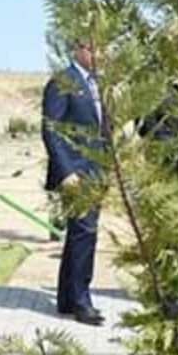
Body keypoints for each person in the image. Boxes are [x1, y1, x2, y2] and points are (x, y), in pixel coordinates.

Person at [41, 40, 106, 326]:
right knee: (85, 233)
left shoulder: (98, 85)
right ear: (78, 49)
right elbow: (51, 130)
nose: (100, 54)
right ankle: (82, 301)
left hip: (97, 172)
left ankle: (68, 297)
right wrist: (66, 171)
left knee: (79, 235)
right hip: (76, 175)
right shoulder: (63, 81)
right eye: (94, 48)